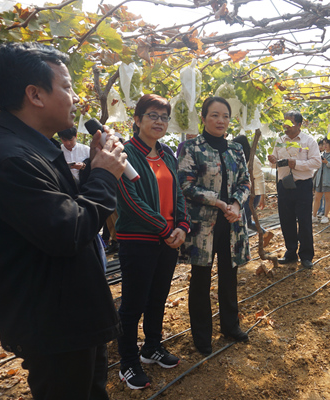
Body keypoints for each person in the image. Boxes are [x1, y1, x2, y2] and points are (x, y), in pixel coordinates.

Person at [0, 42, 126, 399]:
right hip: (55, 326)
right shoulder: (8, 158)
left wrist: (93, 169)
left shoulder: (30, 148)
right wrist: (104, 177)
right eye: (68, 87)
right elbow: (67, 231)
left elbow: (65, 208)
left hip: (72, 314)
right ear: (35, 95)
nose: (75, 98)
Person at [115, 94, 190, 390]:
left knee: (158, 297)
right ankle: (128, 362)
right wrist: (164, 228)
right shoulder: (125, 153)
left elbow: (179, 192)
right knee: (133, 304)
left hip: (168, 240)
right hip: (139, 240)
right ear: (137, 120)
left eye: (164, 117)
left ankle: (152, 347)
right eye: (152, 115)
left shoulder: (167, 154)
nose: (159, 121)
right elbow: (130, 200)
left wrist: (182, 225)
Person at [179, 97, 251, 356]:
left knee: (229, 276)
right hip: (203, 226)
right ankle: (202, 336)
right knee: (200, 280)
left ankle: (230, 326)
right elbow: (186, 184)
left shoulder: (236, 149)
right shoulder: (191, 148)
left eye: (225, 116)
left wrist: (236, 204)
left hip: (231, 223)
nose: (221, 120)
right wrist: (219, 202)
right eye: (215, 115)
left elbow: (245, 181)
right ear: (203, 117)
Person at [268, 111, 321, 269]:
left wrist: (296, 164)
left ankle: (306, 255)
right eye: (284, 122)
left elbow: (316, 162)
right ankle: (290, 252)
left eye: (290, 123)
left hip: (302, 186)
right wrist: (273, 160)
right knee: (286, 220)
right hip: (284, 185)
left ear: (299, 124)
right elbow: (273, 163)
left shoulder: (308, 141)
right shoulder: (279, 140)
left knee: (304, 221)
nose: (286, 126)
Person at [232, 134, 274, 247]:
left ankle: (241, 245)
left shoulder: (253, 160)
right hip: (243, 194)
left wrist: (262, 198)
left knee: (242, 221)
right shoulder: (240, 158)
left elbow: (260, 179)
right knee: (247, 220)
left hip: (253, 195)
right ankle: (265, 234)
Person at [312, 137, 330, 224]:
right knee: (317, 198)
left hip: (329, 180)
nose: (324, 145)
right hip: (320, 179)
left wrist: (327, 162)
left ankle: (325, 216)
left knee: (327, 198)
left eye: (326, 143)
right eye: (323, 144)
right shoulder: (321, 154)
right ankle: (314, 216)